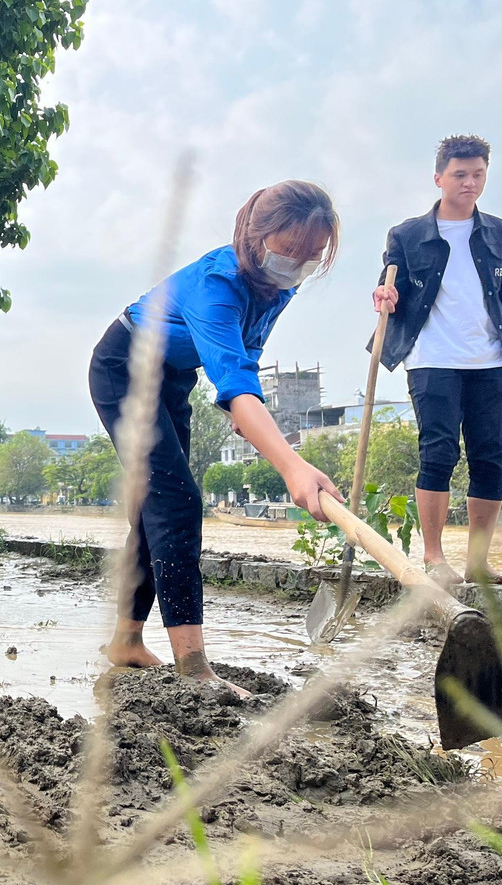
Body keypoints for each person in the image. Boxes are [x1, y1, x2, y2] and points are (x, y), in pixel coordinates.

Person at [90, 181, 343, 695]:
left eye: (313, 257)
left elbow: (243, 354)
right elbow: (234, 374)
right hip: (125, 368)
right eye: (290, 251)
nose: (298, 266)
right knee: (177, 501)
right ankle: (193, 667)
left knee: (154, 508)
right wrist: (293, 466)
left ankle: (126, 641)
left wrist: (240, 404)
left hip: (173, 378)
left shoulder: (279, 285)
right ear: (256, 236)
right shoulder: (217, 284)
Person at [373, 136, 502, 587]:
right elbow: (388, 284)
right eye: (460, 175)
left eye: (478, 174)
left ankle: (478, 562)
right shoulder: (407, 234)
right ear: (439, 178)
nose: (470, 183)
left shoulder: (498, 232)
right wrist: (385, 294)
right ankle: (435, 558)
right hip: (431, 359)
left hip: (490, 360)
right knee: (438, 452)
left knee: (492, 458)